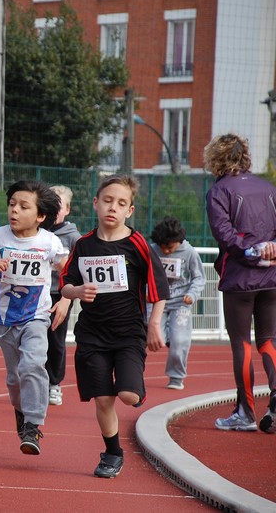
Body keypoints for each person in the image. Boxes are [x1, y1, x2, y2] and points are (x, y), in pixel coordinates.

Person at [60, 174, 170, 478]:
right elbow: (66, 283)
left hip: (128, 334)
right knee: (104, 399)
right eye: (107, 200)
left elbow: (158, 289)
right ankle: (112, 453)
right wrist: (76, 292)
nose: (113, 207)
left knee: (127, 396)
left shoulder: (138, 245)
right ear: (96, 203)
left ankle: (137, 389)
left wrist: (154, 324)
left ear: (129, 211)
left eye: (121, 203)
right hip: (92, 334)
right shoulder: (83, 245)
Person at [0, 179, 68, 456]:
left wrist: (66, 299)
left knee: (33, 365)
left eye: (23, 206)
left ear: (40, 216)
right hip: (4, 320)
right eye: (12, 204)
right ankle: (21, 410)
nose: (14, 211)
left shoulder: (49, 242)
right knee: (14, 377)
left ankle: (33, 425)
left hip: (37, 317)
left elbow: (69, 271)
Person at [204, 133, 276, 434]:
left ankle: (245, 412)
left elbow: (225, 235)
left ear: (216, 158)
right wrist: (269, 249)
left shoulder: (218, 191)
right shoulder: (269, 188)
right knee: (270, 340)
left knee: (242, 342)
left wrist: (251, 252)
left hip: (240, 277)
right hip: (272, 275)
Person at [150, 216, 206, 390]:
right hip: (156, 301)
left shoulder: (189, 253)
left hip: (181, 302)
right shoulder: (152, 251)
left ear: (178, 241)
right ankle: (169, 338)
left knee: (180, 340)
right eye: (162, 247)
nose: (166, 251)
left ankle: (176, 377)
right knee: (155, 336)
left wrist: (192, 294)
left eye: (170, 247)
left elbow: (199, 277)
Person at [45, 185, 82, 406]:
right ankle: (34, 380)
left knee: (55, 340)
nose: (53, 209)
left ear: (67, 209)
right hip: (34, 293)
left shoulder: (73, 238)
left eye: (58, 205)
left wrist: (69, 296)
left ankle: (54, 384)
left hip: (60, 295)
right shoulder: (36, 233)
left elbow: (78, 270)